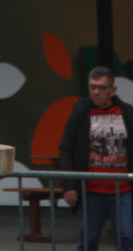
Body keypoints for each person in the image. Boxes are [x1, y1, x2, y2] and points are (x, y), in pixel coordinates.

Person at [59, 65, 133, 251]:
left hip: (122, 189)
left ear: (112, 90)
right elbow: (66, 148)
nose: (96, 92)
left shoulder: (127, 113)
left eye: (101, 87)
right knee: (88, 240)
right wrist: (68, 185)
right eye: (92, 87)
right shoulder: (80, 113)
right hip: (92, 189)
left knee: (126, 236)